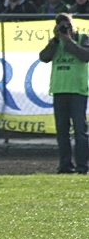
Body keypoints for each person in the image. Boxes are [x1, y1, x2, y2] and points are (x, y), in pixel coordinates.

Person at [39, 13, 89, 174]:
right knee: (62, 132)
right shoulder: (55, 42)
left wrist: (68, 39)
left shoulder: (82, 38)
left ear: (72, 24)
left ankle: (82, 166)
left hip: (78, 90)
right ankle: (65, 165)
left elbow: (85, 56)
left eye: (67, 24)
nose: (65, 28)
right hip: (59, 90)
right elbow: (44, 57)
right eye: (61, 25)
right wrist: (55, 40)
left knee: (80, 131)